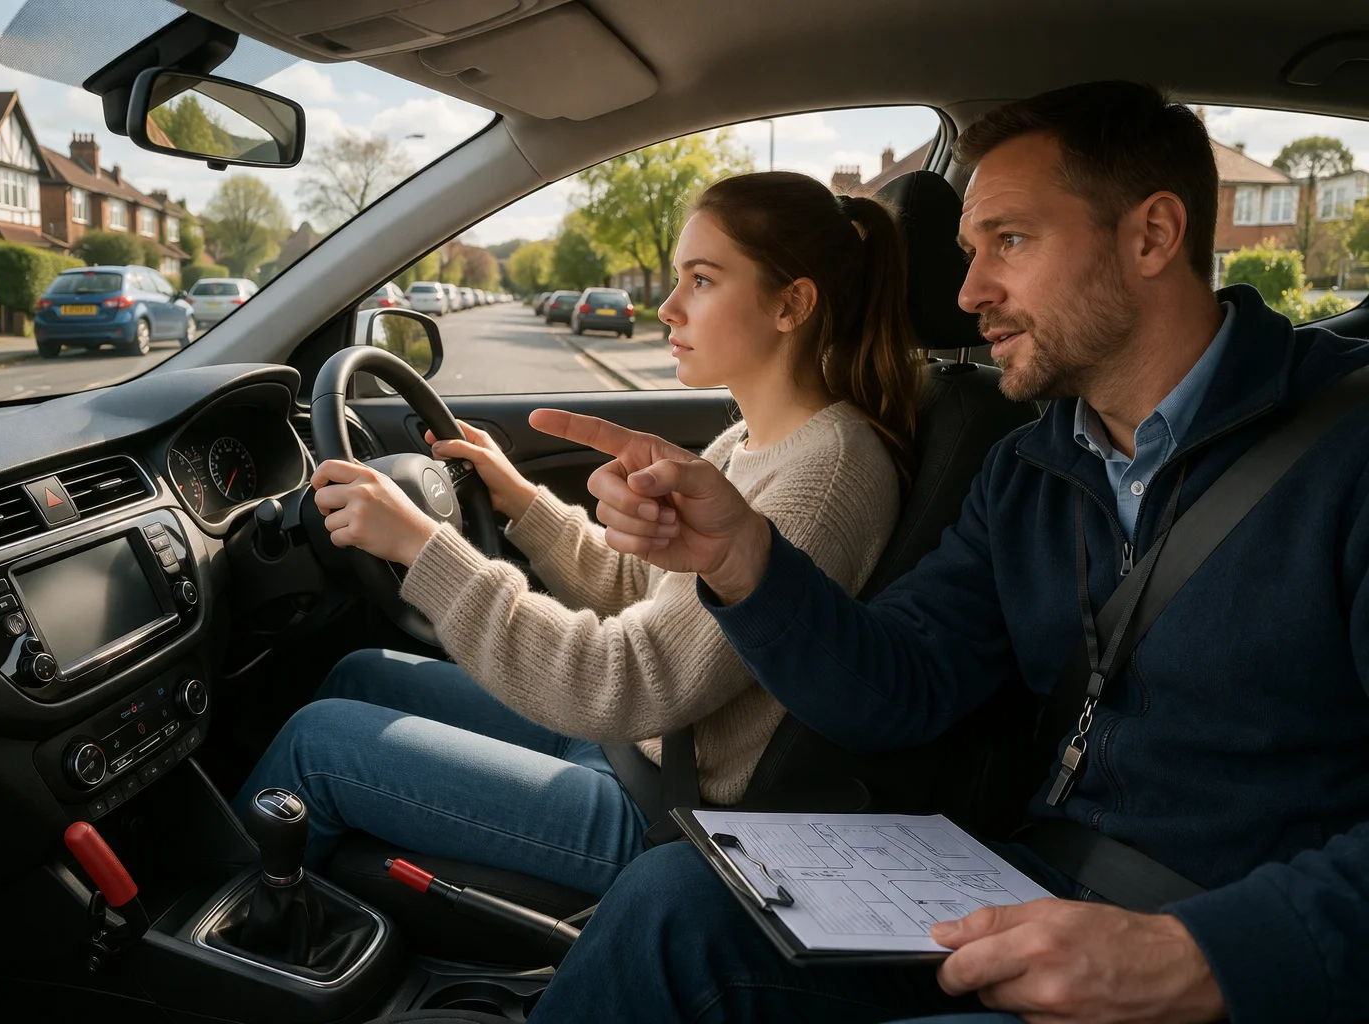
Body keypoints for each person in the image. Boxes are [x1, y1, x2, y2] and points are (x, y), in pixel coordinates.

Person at [524, 81, 1369, 1022]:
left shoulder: (1348, 452)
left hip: (1249, 952)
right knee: (671, 900)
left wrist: (1202, 957)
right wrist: (743, 558)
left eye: (1010, 241)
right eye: (969, 253)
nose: (969, 294)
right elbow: (903, 686)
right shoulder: (1030, 469)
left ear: (1151, 236)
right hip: (1031, 883)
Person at [235, 171, 924, 895]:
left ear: (793, 303)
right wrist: (520, 501)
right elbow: (646, 592)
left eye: (702, 280)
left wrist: (422, 547)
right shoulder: (749, 443)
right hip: (635, 748)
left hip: (663, 811)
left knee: (318, 745)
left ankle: (202, 949)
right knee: (361, 674)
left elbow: (624, 675)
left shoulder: (827, 473)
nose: (667, 306)